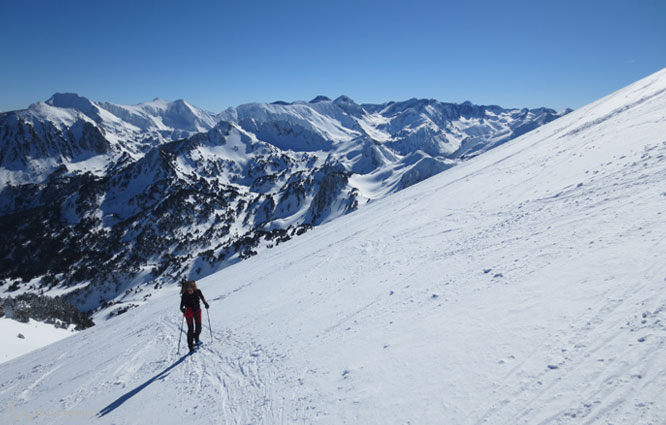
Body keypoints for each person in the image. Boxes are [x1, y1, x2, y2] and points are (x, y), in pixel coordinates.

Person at [180, 280, 209, 352]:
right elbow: (181, 306)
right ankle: (190, 346)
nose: (190, 291)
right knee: (191, 329)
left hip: (197, 311)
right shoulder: (184, 295)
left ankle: (196, 339)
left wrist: (205, 303)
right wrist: (183, 309)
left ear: (193, 288)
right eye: (188, 290)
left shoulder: (198, 291)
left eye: (191, 290)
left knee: (198, 326)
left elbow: (202, 298)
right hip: (189, 312)